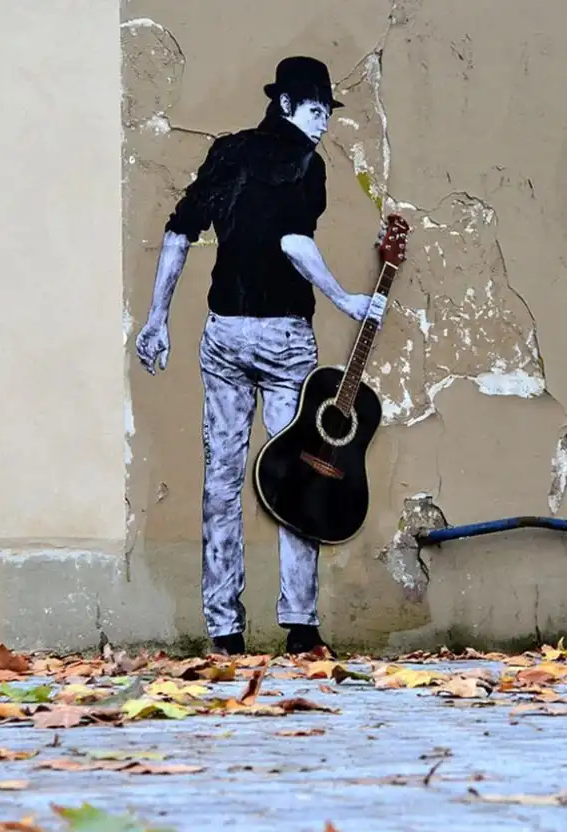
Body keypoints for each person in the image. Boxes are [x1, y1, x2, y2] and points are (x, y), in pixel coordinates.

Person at [136, 56, 380, 657]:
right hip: (282, 340)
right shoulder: (306, 164)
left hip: (223, 334)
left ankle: (224, 630)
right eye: (316, 110)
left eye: (328, 112)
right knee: (299, 475)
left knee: (221, 482)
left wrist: (157, 319)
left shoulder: (227, 152)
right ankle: (300, 627)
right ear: (287, 105)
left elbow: (178, 232)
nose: (324, 123)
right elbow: (294, 241)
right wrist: (345, 298)